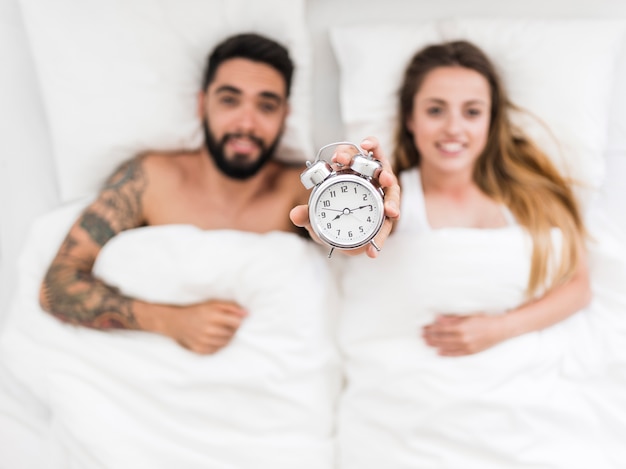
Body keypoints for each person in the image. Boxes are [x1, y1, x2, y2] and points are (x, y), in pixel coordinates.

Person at [38, 32, 400, 355]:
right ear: (202, 104)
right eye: (230, 100)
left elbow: (356, 240)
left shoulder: (298, 190)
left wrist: (376, 198)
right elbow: (57, 284)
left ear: (284, 116)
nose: (246, 122)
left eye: (266, 105)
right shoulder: (148, 180)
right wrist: (170, 321)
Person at [393, 40, 591, 355]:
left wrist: (498, 329)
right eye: (435, 110)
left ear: (490, 120)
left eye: (472, 112)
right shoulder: (394, 199)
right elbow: (360, 244)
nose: (453, 128)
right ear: (410, 119)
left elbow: (579, 288)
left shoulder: (530, 194)